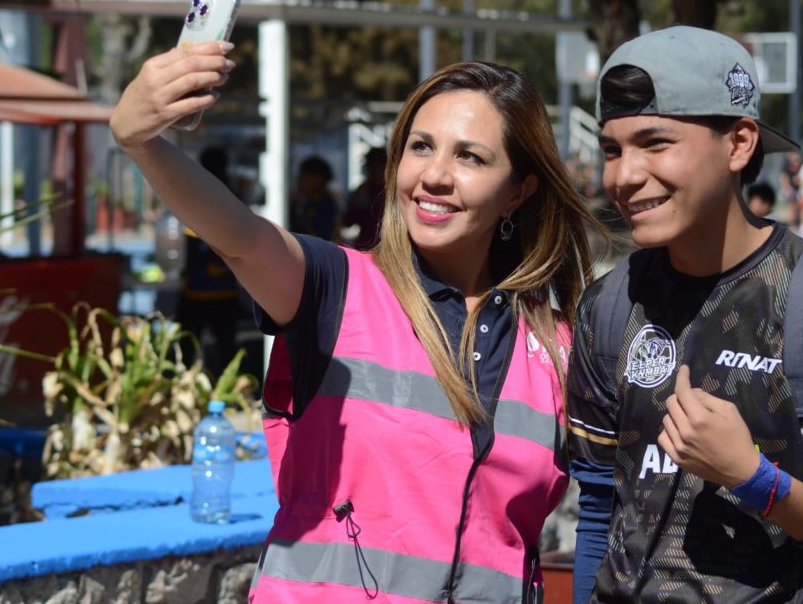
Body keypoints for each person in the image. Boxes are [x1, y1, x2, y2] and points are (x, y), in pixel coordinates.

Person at [109, 43, 605, 602]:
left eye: (470, 157)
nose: (434, 175)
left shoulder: (560, 346)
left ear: (519, 191)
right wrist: (140, 142)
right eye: (421, 146)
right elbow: (239, 237)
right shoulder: (336, 287)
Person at [567, 26, 803, 603]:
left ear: (738, 143)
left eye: (655, 143)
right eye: (612, 149)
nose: (624, 176)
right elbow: (597, 517)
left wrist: (756, 480)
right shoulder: (607, 308)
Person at [174, 146, 240, 377]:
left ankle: (184, 386)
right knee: (226, 349)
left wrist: (187, 274)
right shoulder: (232, 196)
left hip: (198, 289)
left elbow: (193, 247)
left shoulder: (198, 196)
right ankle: (229, 389)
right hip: (225, 289)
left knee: (187, 347)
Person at [289, 155, 342, 242]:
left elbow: (323, 239)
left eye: (305, 178)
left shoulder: (327, 206)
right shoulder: (300, 203)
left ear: (319, 179)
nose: (300, 182)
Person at [343, 146, 386, 250]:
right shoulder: (363, 191)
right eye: (373, 167)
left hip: (385, 244)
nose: (376, 171)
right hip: (366, 245)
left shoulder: (392, 191)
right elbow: (349, 221)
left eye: (379, 167)